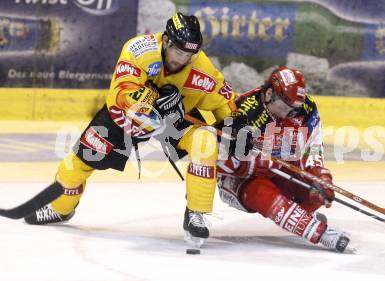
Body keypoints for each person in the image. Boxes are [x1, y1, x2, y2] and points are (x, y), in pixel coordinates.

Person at [24, 12, 237, 247]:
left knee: (204, 141)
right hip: (128, 118)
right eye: (178, 51)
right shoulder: (139, 50)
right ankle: (61, 208)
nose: (183, 58)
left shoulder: (201, 69)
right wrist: (153, 100)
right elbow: (121, 94)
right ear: (166, 40)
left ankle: (196, 213)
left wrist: (236, 126)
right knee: (77, 163)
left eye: (189, 54)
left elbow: (224, 102)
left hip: (175, 119)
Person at [216, 66, 351, 252]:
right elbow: (217, 161)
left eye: (294, 109)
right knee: (262, 192)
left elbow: (312, 149)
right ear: (270, 93)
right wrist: (252, 164)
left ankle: (301, 218)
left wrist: (321, 177)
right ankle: (316, 231)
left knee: (315, 190)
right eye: (285, 107)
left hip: (280, 167)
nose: (290, 114)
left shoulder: (305, 110)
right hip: (241, 179)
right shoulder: (243, 112)